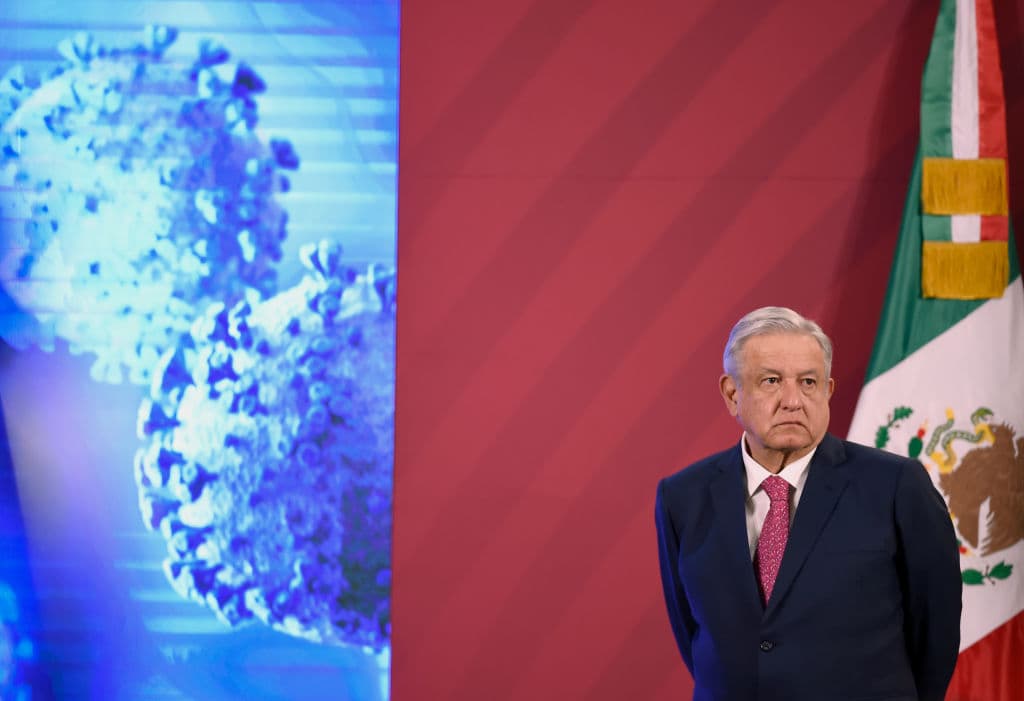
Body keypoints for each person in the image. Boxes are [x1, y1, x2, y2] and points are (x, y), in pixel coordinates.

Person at [654, 306, 962, 701]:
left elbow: (934, 631)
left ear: (828, 391)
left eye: (808, 382)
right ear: (733, 394)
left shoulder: (897, 486)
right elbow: (693, 634)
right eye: (771, 381)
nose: (793, 400)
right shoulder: (682, 496)